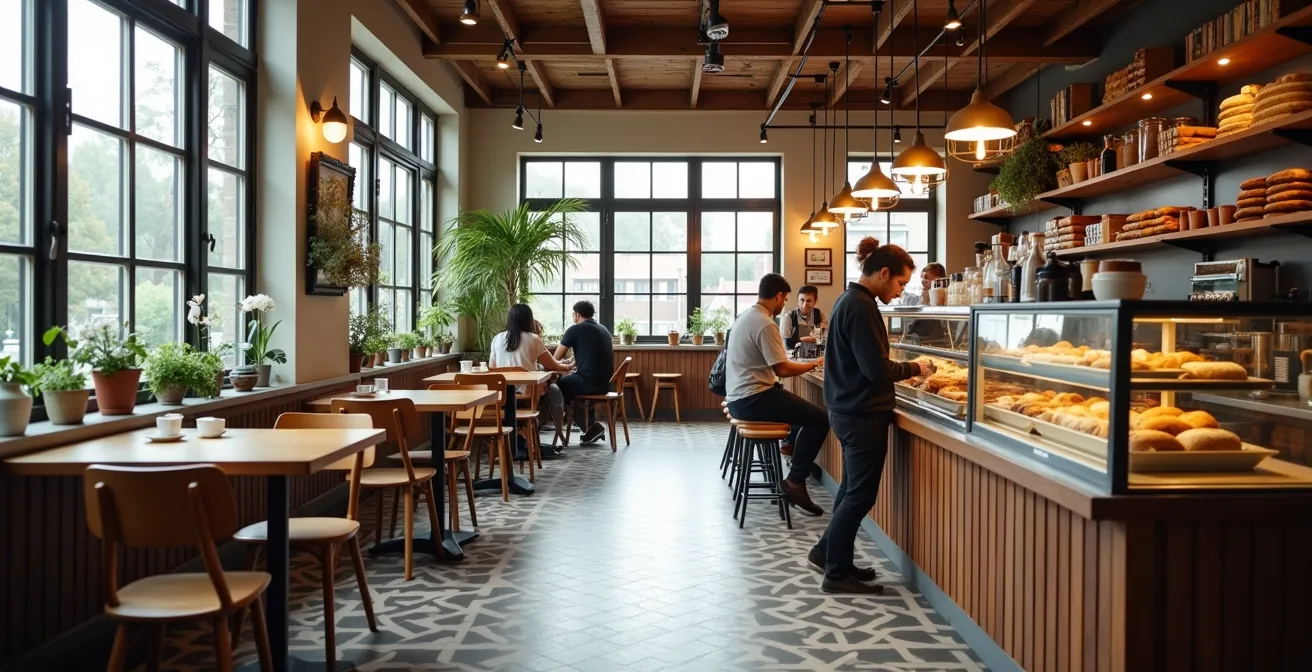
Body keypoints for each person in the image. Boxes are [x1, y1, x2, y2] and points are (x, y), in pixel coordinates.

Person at [811, 237, 934, 594]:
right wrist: (916, 366)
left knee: (850, 489)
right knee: (860, 497)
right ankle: (835, 574)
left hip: (847, 410)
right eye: (900, 283)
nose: (900, 293)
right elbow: (876, 369)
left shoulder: (848, 300)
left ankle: (830, 554)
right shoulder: (862, 306)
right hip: (861, 414)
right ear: (883, 273)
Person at [725, 273, 829, 517]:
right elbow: (782, 368)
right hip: (753, 397)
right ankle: (795, 481)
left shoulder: (747, 316)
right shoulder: (765, 322)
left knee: (800, 415)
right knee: (820, 419)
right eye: (786, 299)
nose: (785, 304)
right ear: (779, 296)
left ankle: (792, 465)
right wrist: (815, 363)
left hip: (741, 397)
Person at [489, 304, 573, 457]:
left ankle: (523, 441)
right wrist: (568, 367)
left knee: (545, 392)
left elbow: (492, 368)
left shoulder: (497, 339)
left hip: (502, 397)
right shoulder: (533, 339)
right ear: (528, 319)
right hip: (526, 394)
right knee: (549, 392)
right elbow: (552, 364)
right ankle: (533, 437)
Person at [554, 300, 614, 445]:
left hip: (588, 383)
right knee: (572, 386)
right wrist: (574, 363)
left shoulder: (575, 329)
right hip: (605, 384)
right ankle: (590, 426)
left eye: (573, 314)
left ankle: (587, 426)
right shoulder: (603, 329)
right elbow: (592, 354)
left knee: (556, 387)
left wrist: (564, 365)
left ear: (577, 315)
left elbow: (556, 357)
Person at [781, 285, 826, 350]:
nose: (804, 305)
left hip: (814, 353)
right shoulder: (789, 317)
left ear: (815, 301)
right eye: (802, 300)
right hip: (793, 354)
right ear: (797, 300)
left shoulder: (819, 315)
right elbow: (784, 344)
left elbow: (825, 339)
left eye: (809, 301)